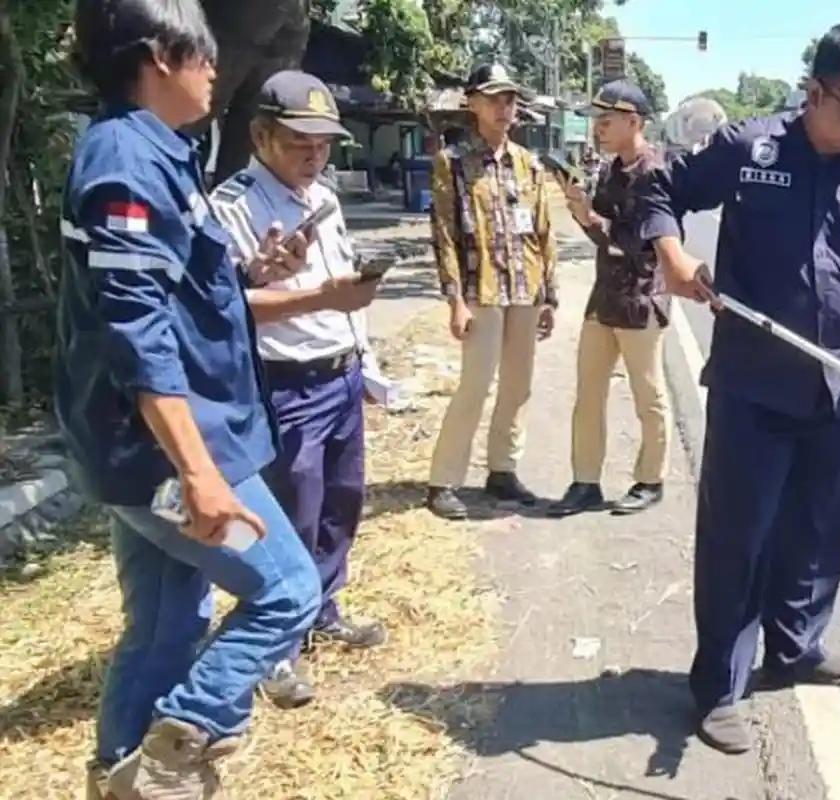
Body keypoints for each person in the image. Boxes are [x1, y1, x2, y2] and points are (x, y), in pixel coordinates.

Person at [638, 22, 840, 755]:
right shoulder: (751, 148)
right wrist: (673, 257)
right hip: (754, 388)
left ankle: (797, 647)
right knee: (740, 540)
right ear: (813, 93)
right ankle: (719, 687)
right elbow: (660, 189)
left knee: (819, 531)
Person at [59, 1, 321, 798]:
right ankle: (180, 746)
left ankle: (120, 773)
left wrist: (249, 280)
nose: (215, 72)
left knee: (170, 617)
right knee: (287, 592)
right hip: (169, 450)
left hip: (150, 447)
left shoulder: (157, 153)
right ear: (159, 58)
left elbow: (172, 294)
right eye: (202, 56)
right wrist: (198, 472)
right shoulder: (123, 163)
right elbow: (135, 328)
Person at [208, 70, 388, 710]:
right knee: (292, 513)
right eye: (298, 142)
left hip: (338, 373)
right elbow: (229, 307)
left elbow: (341, 283)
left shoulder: (325, 197)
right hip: (287, 385)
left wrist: (364, 358)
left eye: (324, 144)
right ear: (260, 136)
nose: (314, 155)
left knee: (342, 501)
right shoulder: (233, 205)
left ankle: (323, 608)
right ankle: (275, 649)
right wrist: (316, 294)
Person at [424, 63, 558, 520]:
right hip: (481, 292)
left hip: (525, 291)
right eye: (494, 98)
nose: (504, 107)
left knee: (518, 387)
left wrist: (550, 296)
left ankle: (502, 469)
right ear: (473, 103)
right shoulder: (454, 162)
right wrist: (454, 299)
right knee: (475, 386)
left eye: (510, 99)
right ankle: (444, 480)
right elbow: (443, 234)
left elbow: (543, 231)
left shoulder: (528, 163)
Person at [547, 80, 671, 517]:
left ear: (633, 121)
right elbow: (601, 238)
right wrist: (582, 212)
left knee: (648, 396)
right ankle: (585, 482)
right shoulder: (608, 171)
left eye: (606, 120)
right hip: (604, 301)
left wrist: (591, 217)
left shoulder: (656, 174)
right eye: (597, 120)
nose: (598, 127)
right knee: (589, 394)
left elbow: (640, 243)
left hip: (640, 301)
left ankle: (650, 479)